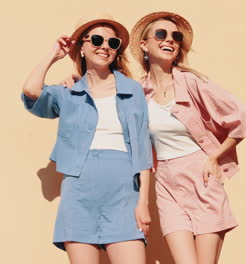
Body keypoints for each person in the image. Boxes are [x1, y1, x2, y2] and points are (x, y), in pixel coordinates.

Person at [130, 12, 246, 263]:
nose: (169, 39)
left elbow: (244, 118)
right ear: (144, 44)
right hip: (167, 184)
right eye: (161, 34)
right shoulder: (138, 93)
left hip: (201, 177)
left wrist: (214, 157)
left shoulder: (192, 82)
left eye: (175, 36)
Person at [21, 17, 152, 264]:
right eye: (97, 40)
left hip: (123, 192)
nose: (105, 46)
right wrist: (53, 55)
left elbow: (143, 150)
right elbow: (31, 91)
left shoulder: (132, 90)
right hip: (79, 194)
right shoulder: (69, 93)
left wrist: (143, 203)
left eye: (112, 42)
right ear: (81, 47)